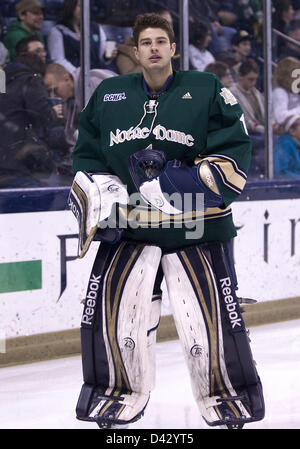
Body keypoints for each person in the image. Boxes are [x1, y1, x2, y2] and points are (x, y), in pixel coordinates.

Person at [69, 13, 265, 430]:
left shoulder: (207, 88)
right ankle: (116, 395)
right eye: (146, 42)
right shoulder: (108, 95)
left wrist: (179, 183)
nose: (154, 48)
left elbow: (234, 154)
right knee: (118, 313)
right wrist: (101, 191)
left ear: (173, 49)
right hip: (131, 228)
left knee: (208, 318)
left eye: (162, 41)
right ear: (135, 51)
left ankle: (227, 396)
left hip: (198, 227)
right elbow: (87, 154)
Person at [0, 39, 62, 188]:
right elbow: (45, 117)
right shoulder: (31, 80)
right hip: (19, 160)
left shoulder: (2, 79)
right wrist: (53, 112)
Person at [44, 63, 116, 150]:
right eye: (49, 92)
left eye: (55, 90)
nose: (52, 96)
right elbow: (72, 134)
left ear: (66, 79)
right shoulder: (68, 99)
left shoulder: (92, 82)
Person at [47, 0, 115, 76]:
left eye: (85, 6)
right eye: (80, 6)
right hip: (73, 77)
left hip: (97, 75)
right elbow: (59, 60)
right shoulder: (58, 31)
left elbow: (101, 57)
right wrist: (79, 75)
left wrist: (107, 56)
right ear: (70, 7)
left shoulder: (96, 28)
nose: (83, 9)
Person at [272, 56, 300, 126]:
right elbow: (280, 117)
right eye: (297, 75)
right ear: (287, 76)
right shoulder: (279, 92)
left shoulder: (294, 91)